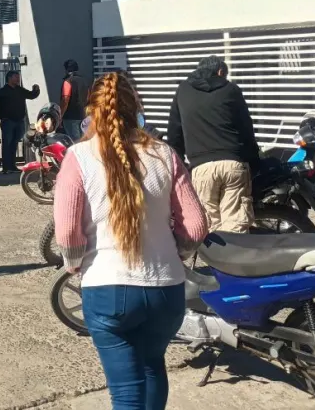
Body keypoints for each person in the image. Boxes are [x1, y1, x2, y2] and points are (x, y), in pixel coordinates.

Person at [54, 72, 208, 410]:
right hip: (166, 288)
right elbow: (195, 227)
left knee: (125, 392)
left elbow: (66, 232)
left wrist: (74, 263)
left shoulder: (78, 158)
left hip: (108, 288)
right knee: (153, 367)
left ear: (90, 111)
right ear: (135, 106)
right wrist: (176, 253)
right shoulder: (165, 154)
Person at [166, 55, 258, 233]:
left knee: (210, 228)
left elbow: (174, 132)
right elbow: (246, 128)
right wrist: (254, 160)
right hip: (233, 164)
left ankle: (217, 260)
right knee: (236, 225)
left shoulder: (183, 90)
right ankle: (237, 259)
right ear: (220, 71)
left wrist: (179, 166)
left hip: (201, 168)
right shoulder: (231, 90)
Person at [0, 70, 40, 174]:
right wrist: (3, 118)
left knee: (14, 143)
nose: (18, 79)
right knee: (7, 143)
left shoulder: (19, 90)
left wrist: (36, 90)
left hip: (19, 121)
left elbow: (31, 95)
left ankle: (12, 166)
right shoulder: (2, 91)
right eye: (16, 77)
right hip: (8, 122)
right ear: (9, 78)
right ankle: (6, 167)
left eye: (18, 77)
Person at [59, 59, 90, 140]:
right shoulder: (84, 81)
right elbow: (88, 97)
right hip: (83, 116)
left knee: (74, 142)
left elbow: (65, 100)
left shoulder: (68, 81)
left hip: (70, 117)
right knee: (83, 141)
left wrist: (60, 116)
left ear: (66, 69)